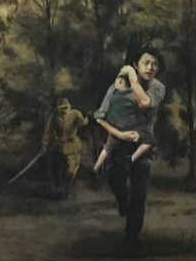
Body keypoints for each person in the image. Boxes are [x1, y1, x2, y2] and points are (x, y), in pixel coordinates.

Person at [94, 51, 165, 241]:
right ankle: (122, 201)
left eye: (155, 64)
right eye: (146, 63)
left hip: (143, 143)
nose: (150, 67)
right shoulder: (116, 86)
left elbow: (145, 103)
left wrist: (132, 77)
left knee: (139, 190)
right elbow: (100, 116)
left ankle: (132, 236)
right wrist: (119, 134)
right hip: (118, 142)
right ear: (136, 64)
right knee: (113, 175)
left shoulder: (157, 87)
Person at [42, 97, 88, 198]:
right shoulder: (54, 117)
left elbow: (82, 123)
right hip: (58, 147)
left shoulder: (75, 114)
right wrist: (45, 145)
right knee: (55, 169)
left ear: (69, 107)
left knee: (71, 170)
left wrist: (85, 120)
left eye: (65, 108)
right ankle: (58, 190)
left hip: (72, 146)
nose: (63, 111)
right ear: (58, 109)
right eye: (61, 109)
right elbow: (48, 132)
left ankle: (67, 189)